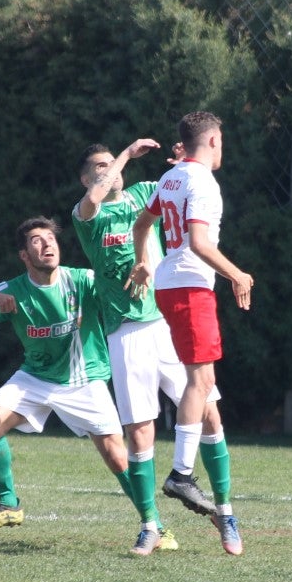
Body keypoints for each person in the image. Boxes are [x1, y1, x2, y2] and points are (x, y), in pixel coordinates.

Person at [0, 215, 153, 554]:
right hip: (35, 377)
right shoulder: (9, 290)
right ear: (24, 256)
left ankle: (155, 525)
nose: (47, 245)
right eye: (36, 242)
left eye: (50, 239)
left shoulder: (83, 280)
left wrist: (139, 268)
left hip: (84, 379)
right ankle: (8, 504)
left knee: (117, 457)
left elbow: (121, 299)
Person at [72, 138, 227, 552]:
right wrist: (123, 154)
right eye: (100, 167)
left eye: (113, 165)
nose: (111, 171)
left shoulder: (144, 193)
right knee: (140, 433)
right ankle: (150, 524)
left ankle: (225, 512)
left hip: (167, 322)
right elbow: (94, 196)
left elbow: (188, 191)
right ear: (87, 179)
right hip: (125, 331)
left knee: (209, 411)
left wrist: (184, 166)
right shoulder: (88, 215)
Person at [130, 111, 253, 556]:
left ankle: (224, 513)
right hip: (189, 285)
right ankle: (181, 473)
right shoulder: (201, 182)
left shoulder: (170, 179)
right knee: (200, 383)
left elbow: (142, 225)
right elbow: (200, 243)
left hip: (169, 284)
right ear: (214, 140)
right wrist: (237, 274)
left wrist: (145, 260)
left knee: (210, 406)